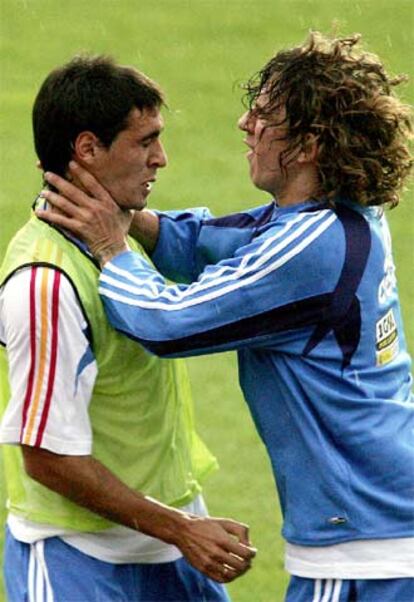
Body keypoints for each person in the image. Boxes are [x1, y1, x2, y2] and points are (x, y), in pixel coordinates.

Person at [38, 32, 414, 601]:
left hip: (365, 548)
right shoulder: (333, 218)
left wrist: (109, 244)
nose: (244, 124)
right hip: (380, 528)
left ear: (309, 144)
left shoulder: (310, 248)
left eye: (263, 116)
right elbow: (215, 243)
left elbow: (166, 321)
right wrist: (126, 213)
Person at [0, 55, 257, 602]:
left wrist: (183, 525)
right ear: (88, 149)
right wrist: (181, 529)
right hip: (80, 560)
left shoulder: (121, 238)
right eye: (145, 142)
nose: (161, 159)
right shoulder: (45, 284)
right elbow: (46, 456)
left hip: (169, 541)